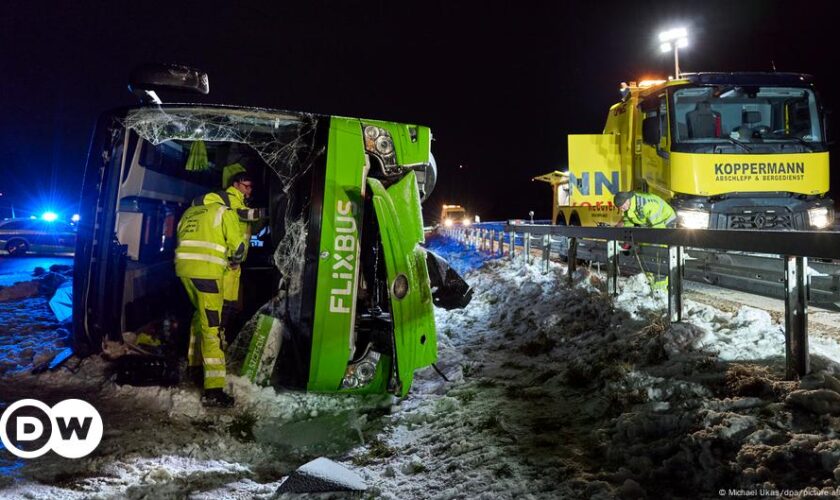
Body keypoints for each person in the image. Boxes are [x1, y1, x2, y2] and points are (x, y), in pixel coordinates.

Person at [176, 188, 248, 407]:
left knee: (199, 317)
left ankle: (194, 366)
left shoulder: (189, 213)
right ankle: (214, 389)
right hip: (207, 274)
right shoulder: (224, 212)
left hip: (184, 272)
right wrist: (235, 260)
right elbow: (239, 248)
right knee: (212, 329)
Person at [192, 170, 265, 331]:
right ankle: (212, 341)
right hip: (226, 260)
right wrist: (267, 212)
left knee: (228, 306)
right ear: (236, 185)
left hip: (234, 261)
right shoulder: (230, 199)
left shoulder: (239, 201)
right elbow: (244, 214)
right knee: (219, 307)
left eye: (251, 187)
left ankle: (220, 336)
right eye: (246, 186)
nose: (249, 190)